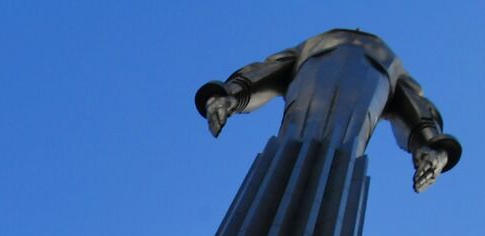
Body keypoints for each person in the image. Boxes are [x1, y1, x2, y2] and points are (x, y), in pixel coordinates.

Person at [195, 27, 462, 193]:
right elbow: (270, 69)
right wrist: (231, 94)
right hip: (296, 134)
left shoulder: (390, 69)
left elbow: (415, 107)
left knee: (333, 168)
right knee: (291, 159)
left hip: (346, 152)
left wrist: (431, 146)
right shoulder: (309, 51)